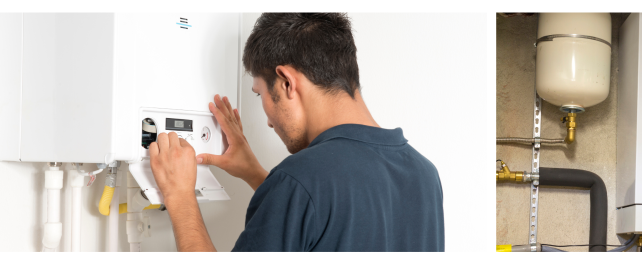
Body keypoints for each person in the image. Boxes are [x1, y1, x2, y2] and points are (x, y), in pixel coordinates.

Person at [148, 13, 444, 252]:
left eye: (259, 94)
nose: (267, 122)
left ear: (287, 82)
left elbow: (313, 197)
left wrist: (179, 195)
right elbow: (332, 226)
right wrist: (256, 174)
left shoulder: (300, 181)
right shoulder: (424, 174)